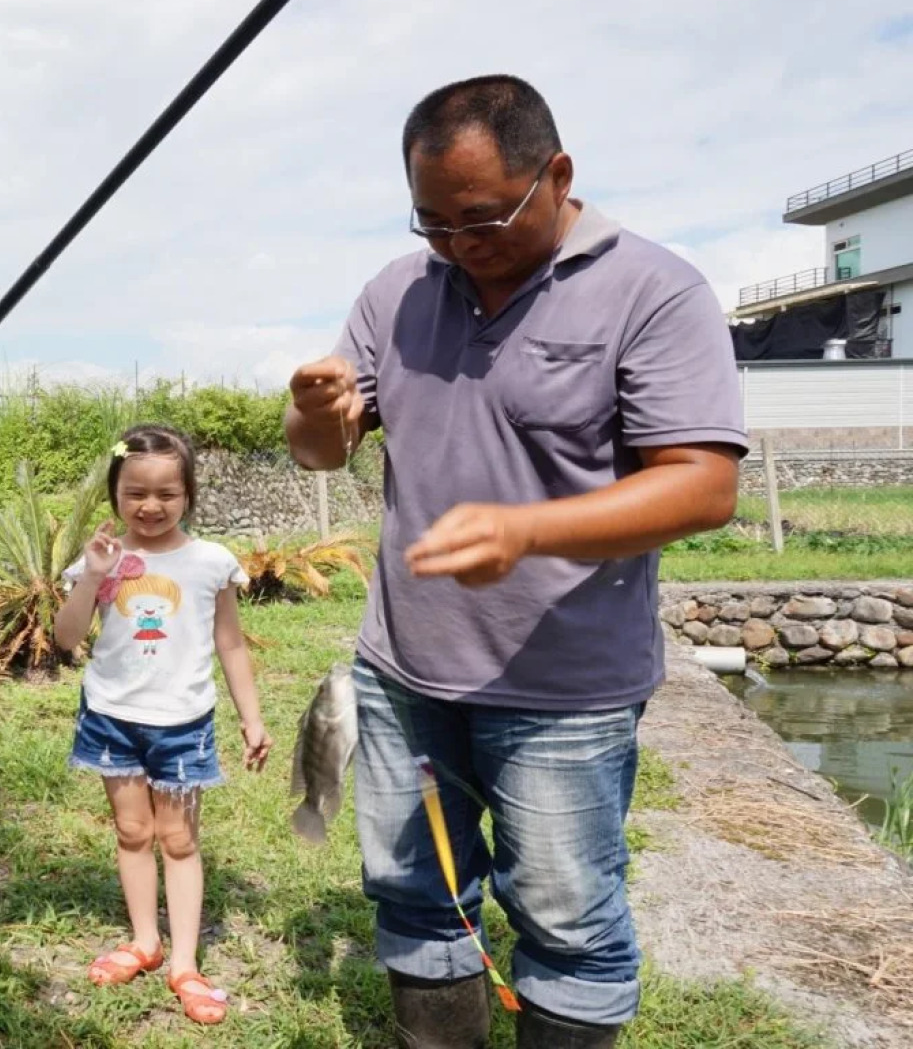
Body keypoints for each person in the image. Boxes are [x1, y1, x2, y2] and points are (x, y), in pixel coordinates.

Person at [285, 76, 745, 1048]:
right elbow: (320, 449)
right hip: (402, 674)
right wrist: (314, 411)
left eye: (481, 218)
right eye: (432, 224)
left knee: (566, 921)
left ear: (556, 175)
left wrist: (527, 530)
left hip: (562, 692)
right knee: (415, 896)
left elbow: (701, 482)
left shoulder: (652, 291)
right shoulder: (393, 293)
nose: (458, 245)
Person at [53, 424, 275, 1027]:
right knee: (131, 832)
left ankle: (183, 962)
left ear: (188, 494)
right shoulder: (101, 561)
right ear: (115, 493)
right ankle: (144, 941)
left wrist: (251, 718)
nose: (150, 507)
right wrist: (95, 576)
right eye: (135, 493)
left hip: (182, 724)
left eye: (167, 494)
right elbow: (65, 639)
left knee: (177, 839)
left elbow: (230, 646)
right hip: (111, 719)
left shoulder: (210, 563)